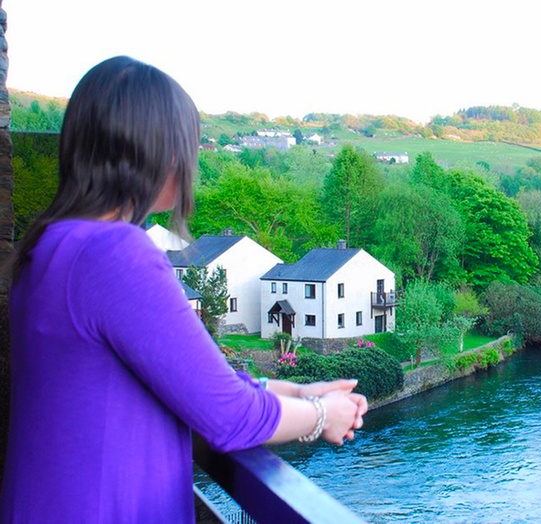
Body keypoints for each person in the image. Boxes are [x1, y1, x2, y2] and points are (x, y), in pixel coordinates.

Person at [0, 56, 367, 522]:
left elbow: (188, 374)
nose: (191, 161)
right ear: (156, 151)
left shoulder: (50, 245)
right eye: (187, 145)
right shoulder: (114, 254)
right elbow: (230, 416)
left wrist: (296, 390)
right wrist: (321, 416)